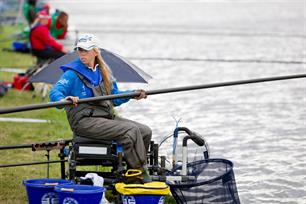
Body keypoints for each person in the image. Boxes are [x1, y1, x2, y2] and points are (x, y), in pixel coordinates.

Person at [49, 34, 152, 182]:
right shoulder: (72, 73)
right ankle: (140, 174)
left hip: (105, 117)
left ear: (96, 52)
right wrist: (64, 99)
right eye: (79, 50)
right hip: (84, 121)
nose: (82, 54)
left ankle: (131, 170)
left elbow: (114, 98)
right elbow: (55, 91)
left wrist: (132, 94)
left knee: (145, 131)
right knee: (131, 130)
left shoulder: (105, 72)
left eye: (86, 50)